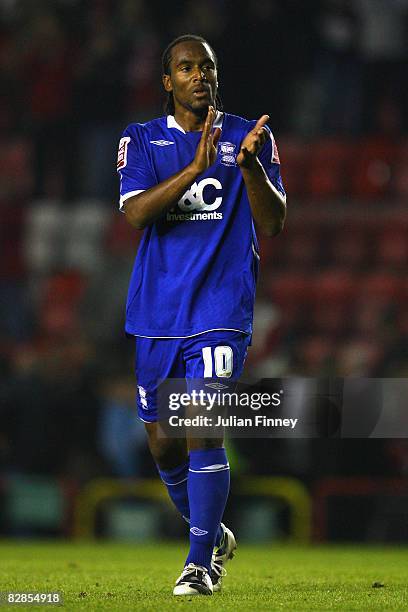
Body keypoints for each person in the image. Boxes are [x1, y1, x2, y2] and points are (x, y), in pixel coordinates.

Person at [116, 34, 286, 596]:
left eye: (206, 66)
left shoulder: (249, 136)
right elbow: (137, 214)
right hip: (157, 310)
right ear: (168, 81)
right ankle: (210, 531)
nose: (198, 75)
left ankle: (198, 564)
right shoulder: (138, 140)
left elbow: (275, 222)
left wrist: (251, 169)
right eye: (186, 68)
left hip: (220, 305)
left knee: (201, 427)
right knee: (162, 441)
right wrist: (194, 170)